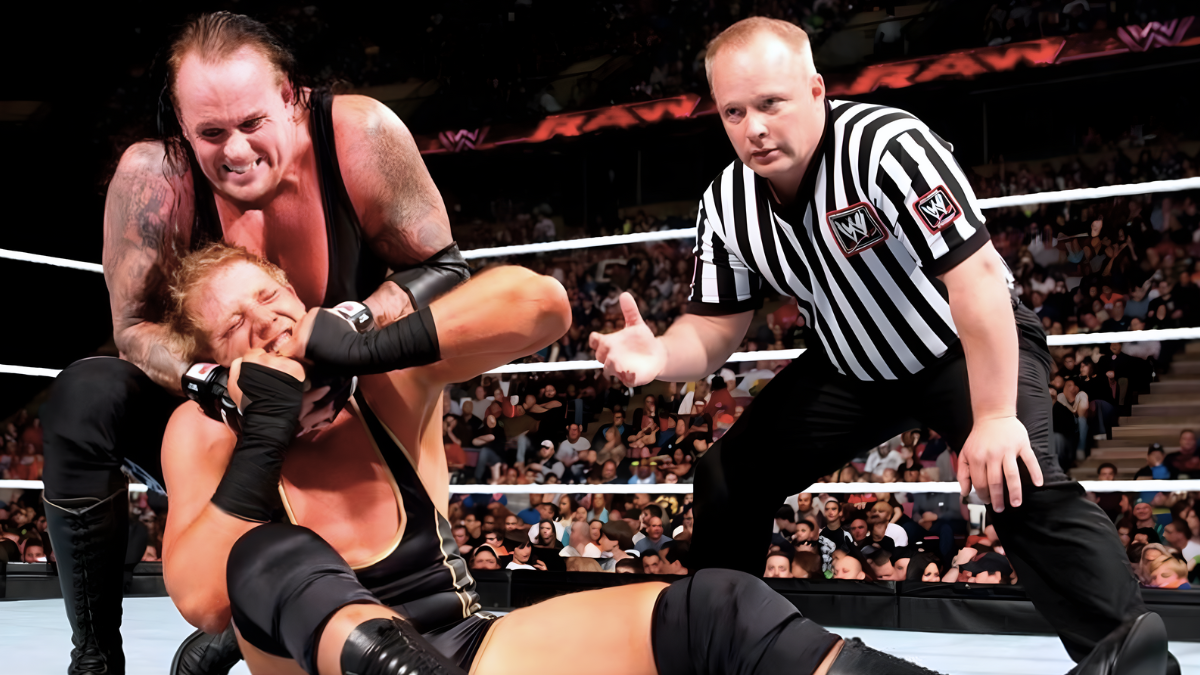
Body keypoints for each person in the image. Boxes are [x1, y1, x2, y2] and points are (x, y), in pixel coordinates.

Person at [590, 16, 1167, 672]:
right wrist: (661, 354)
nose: (753, 127)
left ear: (815, 90)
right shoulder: (725, 202)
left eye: (770, 103)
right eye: (734, 110)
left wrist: (996, 415)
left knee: (1017, 475)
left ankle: (1135, 661)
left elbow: (975, 278)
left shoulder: (886, 145)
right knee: (726, 478)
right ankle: (721, 648)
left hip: (957, 342)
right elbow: (716, 328)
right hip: (852, 365)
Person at [160, 245, 940, 675]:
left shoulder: (382, 384)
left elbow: (541, 305)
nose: (266, 324)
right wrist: (262, 432)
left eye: (271, 300)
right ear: (213, 363)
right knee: (265, 548)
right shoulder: (204, 433)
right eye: (237, 325)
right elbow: (202, 598)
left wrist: (367, 341)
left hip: (465, 653)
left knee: (719, 609)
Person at [40, 13, 474, 672]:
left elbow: (444, 266)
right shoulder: (157, 175)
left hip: (341, 410)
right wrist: (218, 386)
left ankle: (245, 629)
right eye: (211, 133)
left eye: (251, 125)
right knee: (83, 394)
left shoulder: (359, 135)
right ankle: (95, 656)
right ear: (182, 128)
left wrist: (352, 330)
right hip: (221, 420)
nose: (235, 153)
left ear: (292, 98)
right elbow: (131, 328)